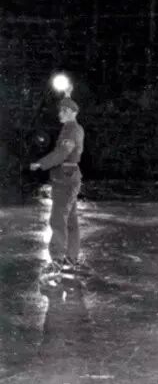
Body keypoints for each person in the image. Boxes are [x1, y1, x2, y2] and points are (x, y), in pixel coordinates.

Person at [30, 86, 85, 274]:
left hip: (65, 178)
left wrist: (41, 163)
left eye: (64, 111)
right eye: (61, 110)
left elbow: (62, 153)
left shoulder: (71, 130)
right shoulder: (74, 128)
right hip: (71, 176)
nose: (60, 114)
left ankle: (57, 260)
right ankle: (71, 258)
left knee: (58, 219)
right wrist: (68, 95)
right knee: (70, 220)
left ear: (71, 113)